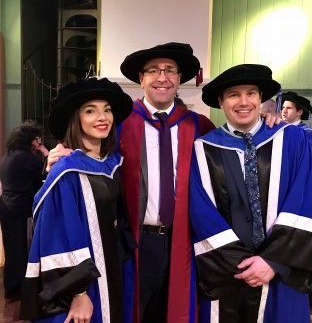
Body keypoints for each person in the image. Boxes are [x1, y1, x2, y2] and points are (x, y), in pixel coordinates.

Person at [46, 43, 280, 323]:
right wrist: (56, 158)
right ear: (141, 78)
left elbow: (238, 144)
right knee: (131, 311)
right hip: (134, 242)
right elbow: (87, 162)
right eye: (153, 70)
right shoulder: (117, 123)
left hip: (187, 243)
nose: (162, 77)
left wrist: (266, 118)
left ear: (180, 78)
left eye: (170, 70)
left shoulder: (200, 127)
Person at [189, 64, 312, 322]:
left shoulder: (292, 140)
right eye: (234, 95)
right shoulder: (203, 149)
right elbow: (201, 211)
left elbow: (303, 200)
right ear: (221, 101)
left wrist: (273, 262)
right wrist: (242, 265)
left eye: (251, 93)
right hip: (229, 271)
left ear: (261, 99)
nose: (244, 101)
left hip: (281, 271)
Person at [20, 77, 134, 322]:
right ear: (77, 119)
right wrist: (78, 292)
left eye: (107, 109)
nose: (102, 117)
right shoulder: (67, 171)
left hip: (111, 267)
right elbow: (59, 236)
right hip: (83, 281)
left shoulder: (112, 163)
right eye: (90, 111)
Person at [0, 121, 48, 302]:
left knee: (12, 249)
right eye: (36, 138)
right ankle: (26, 290)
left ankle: (12, 289)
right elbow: (49, 171)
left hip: (7, 206)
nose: (38, 141)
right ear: (29, 139)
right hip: (21, 209)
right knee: (23, 249)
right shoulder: (25, 158)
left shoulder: (9, 156)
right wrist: (44, 150)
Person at [281, 91, 312, 201]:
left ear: (299, 112)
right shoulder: (279, 132)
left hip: (301, 184)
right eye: (283, 107)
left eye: (289, 108)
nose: (284, 111)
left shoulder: (309, 134)